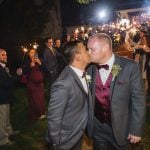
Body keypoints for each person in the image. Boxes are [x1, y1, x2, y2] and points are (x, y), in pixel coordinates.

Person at [87, 33, 146, 150]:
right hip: (97, 127)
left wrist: (136, 130)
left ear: (105, 48)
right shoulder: (90, 68)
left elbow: (138, 101)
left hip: (121, 128)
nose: (88, 53)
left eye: (91, 49)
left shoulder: (130, 67)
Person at [46, 40, 92, 150]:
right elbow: (54, 118)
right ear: (78, 57)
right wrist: (57, 144)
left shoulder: (83, 72)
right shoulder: (63, 84)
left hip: (78, 133)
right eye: (85, 50)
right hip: (66, 140)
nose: (89, 51)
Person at [0, 48, 22, 146]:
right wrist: (16, 75)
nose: (6, 56)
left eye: (6, 54)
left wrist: (15, 74)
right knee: (2, 120)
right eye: (3, 55)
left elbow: (9, 80)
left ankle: (9, 132)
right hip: (1, 98)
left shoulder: (4, 67)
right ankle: (3, 140)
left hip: (6, 97)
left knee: (6, 118)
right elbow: (6, 83)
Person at [21, 48, 46, 121]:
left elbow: (45, 70)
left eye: (34, 52)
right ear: (28, 54)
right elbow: (24, 72)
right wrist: (30, 66)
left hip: (40, 84)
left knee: (40, 98)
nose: (32, 54)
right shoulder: (26, 62)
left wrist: (40, 63)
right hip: (32, 84)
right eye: (31, 52)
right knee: (34, 99)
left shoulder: (39, 60)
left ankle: (42, 112)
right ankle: (36, 114)